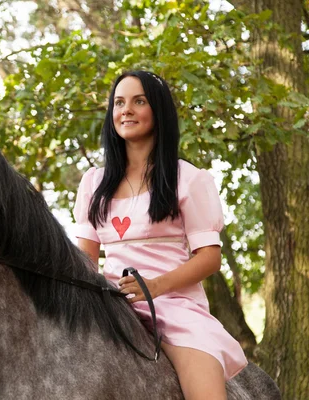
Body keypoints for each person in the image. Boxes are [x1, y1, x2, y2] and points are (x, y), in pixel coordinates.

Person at [73, 70, 247, 399]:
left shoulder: (188, 179)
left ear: (159, 110)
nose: (126, 110)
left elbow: (210, 258)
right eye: (119, 103)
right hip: (113, 307)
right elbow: (85, 261)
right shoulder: (93, 184)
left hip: (176, 309)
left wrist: (152, 287)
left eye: (139, 101)